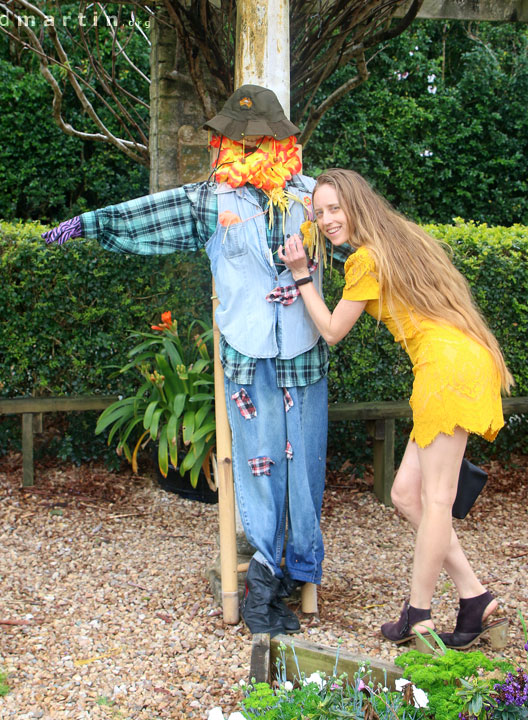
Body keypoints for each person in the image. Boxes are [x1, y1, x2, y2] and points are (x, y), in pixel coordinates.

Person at [42, 85, 347, 637]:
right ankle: (262, 586)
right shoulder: (212, 199)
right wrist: (87, 224)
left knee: (304, 467)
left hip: (304, 349)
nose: (250, 146)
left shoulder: (312, 195)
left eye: (262, 138)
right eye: (240, 138)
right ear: (227, 141)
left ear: (282, 138)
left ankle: (296, 573)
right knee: (258, 468)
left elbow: (364, 239)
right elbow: (148, 216)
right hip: (246, 349)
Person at [278, 168, 514, 650]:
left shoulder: (365, 260)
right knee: (407, 493)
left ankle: (419, 614)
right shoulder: (401, 238)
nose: (325, 220)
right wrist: (306, 219)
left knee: (437, 500)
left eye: (334, 209)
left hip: (445, 371)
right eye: (319, 211)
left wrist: (302, 275)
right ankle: (475, 598)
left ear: (357, 205)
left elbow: (330, 330)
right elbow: (323, 230)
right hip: (462, 361)